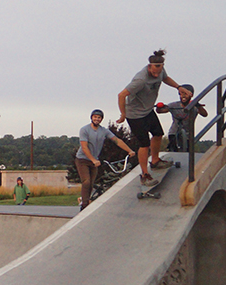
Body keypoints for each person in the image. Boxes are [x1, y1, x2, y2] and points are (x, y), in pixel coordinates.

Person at [117, 49, 192, 187]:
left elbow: (165, 78)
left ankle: (155, 161)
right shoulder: (141, 79)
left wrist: (179, 87)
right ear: (149, 66)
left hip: (148, 111)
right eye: (154, 71)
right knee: (144, 144)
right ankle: (145, 174)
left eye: (159, 70)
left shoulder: (161, 70)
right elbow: (121, 95)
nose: (156, 74)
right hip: (135, 115)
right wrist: (123, 114)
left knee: (158, 134)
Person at [75, 109, 135, 210]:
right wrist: (93, 160)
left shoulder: (103, 131)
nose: (97, 119)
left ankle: (84, 200)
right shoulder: (84, 130)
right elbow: (84, 147)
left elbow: (116, 140)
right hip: (82, 159)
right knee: (86, 182)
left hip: (95, 161)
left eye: (99, 117)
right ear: (91, 118)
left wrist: (129, 150)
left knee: (91, 183)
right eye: (95, 117)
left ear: (101, 119)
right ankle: (84, 205)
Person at [156, 84, 207, 152]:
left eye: (185, 94)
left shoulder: (194, 107)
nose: (183, 96)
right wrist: (159, 107)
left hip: (188, 135)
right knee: (173, 147)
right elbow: (161, 111)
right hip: (174, 132)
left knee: (189, 151)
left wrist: (199, 106)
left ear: (191, 95)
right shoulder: (174, 105)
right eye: (180, 94)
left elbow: (204, 114)